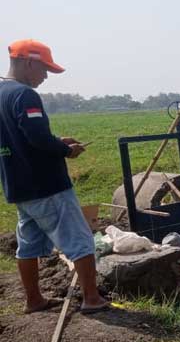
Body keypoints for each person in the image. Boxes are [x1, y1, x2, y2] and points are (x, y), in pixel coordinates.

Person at [0, 39, 108, 314]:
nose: (45, 76)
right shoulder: (24, 95)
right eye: (44, 69)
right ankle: (92, 299)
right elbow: (36, 136)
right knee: (80, 239)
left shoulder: (2, 93)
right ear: (28, 62)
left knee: (28, 244)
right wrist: (65, 150)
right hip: (46, 185)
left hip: (19, 186)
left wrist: (56, 140)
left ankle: (34, 300)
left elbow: (20, 137)